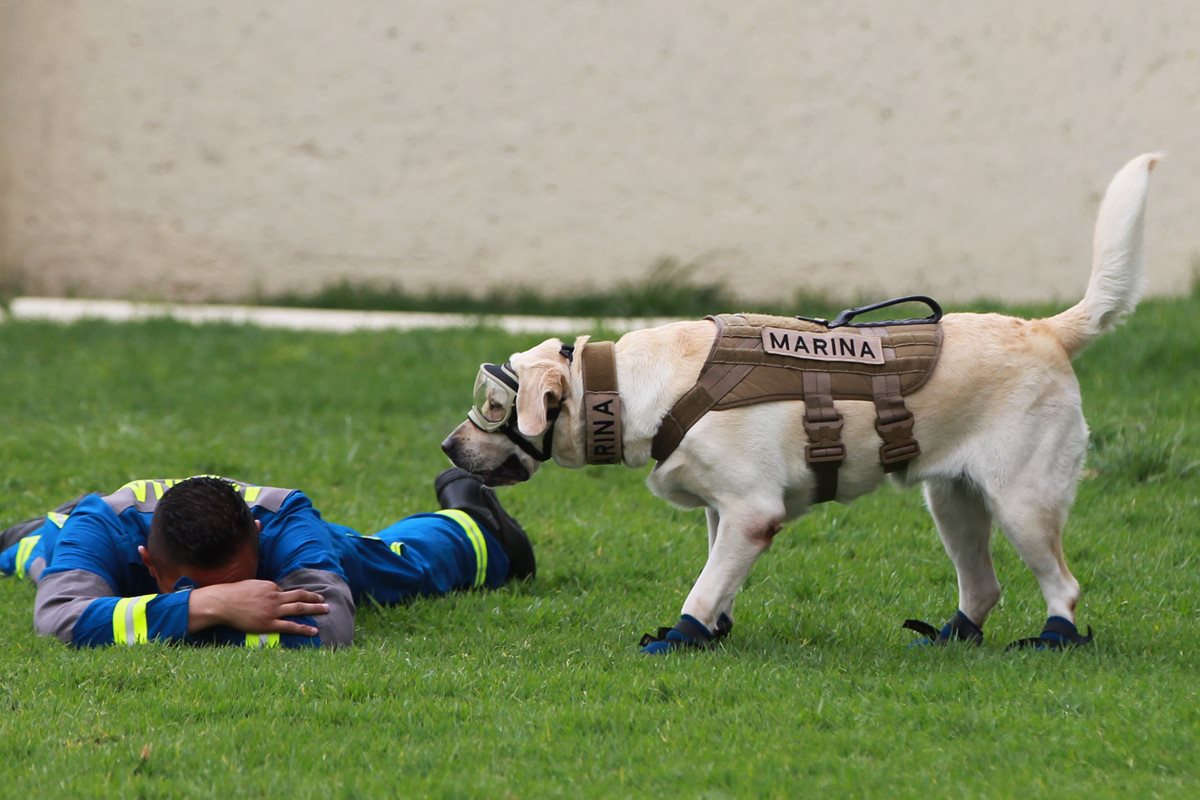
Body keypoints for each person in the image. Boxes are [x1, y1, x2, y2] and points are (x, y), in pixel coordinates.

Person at [0, 469, 531, 648]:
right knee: (53, 554)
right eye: (188, 585)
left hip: (292, 537)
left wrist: (177, 614)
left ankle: (476, 524)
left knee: (384, 566)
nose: (225, 595)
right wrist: (207, 609)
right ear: (147, 561)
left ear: (257, 539)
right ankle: (28, 540)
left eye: (237, 581)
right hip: (88, 532)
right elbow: (59, 618)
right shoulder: (101, 525)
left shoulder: (282, 521)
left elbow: (331, 629)